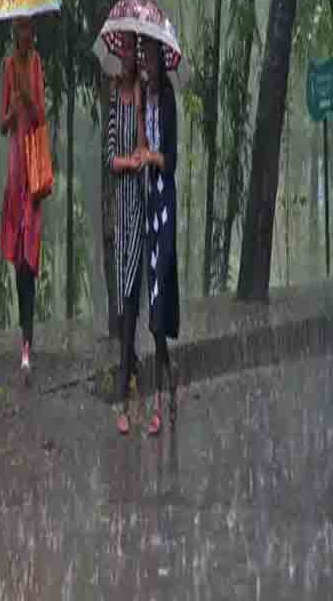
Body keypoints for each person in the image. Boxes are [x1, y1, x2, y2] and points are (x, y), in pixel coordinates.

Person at [0, 16, 47, 378]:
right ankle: (24, 336)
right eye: (19, 28)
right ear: (14, 31)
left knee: (30, 256)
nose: (24, 33)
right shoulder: (7, 67)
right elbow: (2, 125)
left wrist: (28, 100)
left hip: (33, 172)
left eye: (28, 27)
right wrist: (11, 112)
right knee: (17, 258)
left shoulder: (36, 64)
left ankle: (28, 340)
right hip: (14, 172)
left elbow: (41, 117)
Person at [106, 31, 148, 435]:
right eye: (122, 51)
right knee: (123, 280)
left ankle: (127, 370)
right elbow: (110, 156)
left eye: (130, 51)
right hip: (121, 198)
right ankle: (126, 361)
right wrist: (125, 163)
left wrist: (138, 107)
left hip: (141, 197)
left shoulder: (142, 95)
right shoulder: (112, 97)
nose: (126, 56)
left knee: (135, 279)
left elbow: (145, 144)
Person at [139, 34, 180, 435]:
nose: (147, 65)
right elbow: (141, 148)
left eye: (151, 58)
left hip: (165, 201)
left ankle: (157, 402)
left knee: (159, 298)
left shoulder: (167, 101)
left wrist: (150, 155)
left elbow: (170, 161)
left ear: (161, 61)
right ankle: (168, 376)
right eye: (144, 58)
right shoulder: (144, 100)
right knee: (153, 308)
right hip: (148, 201)